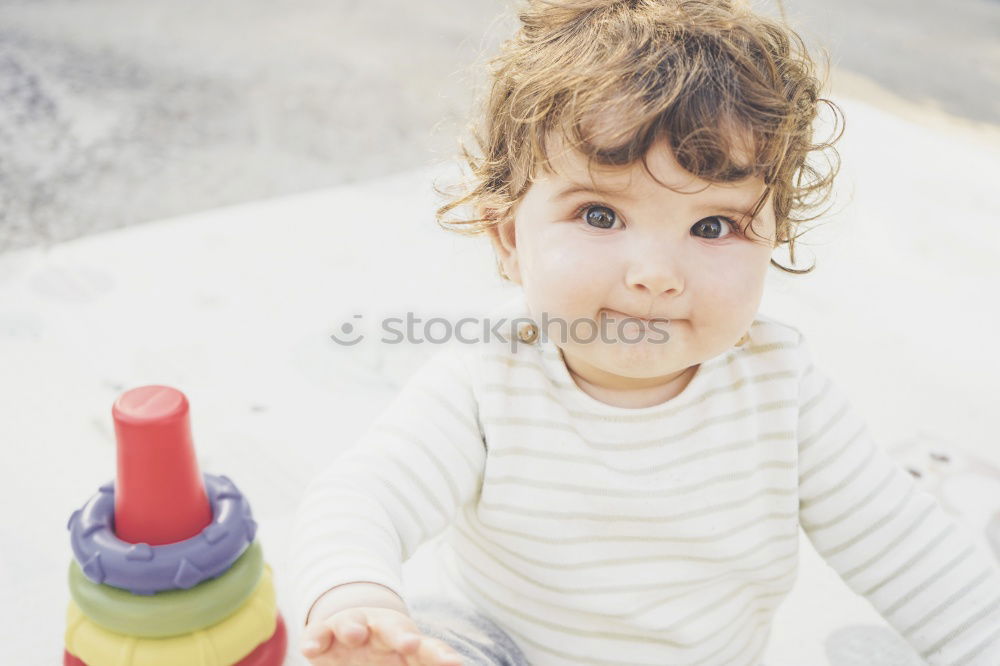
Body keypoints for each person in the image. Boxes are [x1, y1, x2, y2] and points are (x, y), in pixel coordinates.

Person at [289, 0, 1000, 664]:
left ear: (773, 241)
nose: (656, 274)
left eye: (713, 226)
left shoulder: (782, 392)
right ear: (509, 238)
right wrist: (360, 599)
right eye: (601, 216)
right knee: (443, 637)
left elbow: (915, 553)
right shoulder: (487, 377)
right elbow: (361, 499)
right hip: (503, 647)